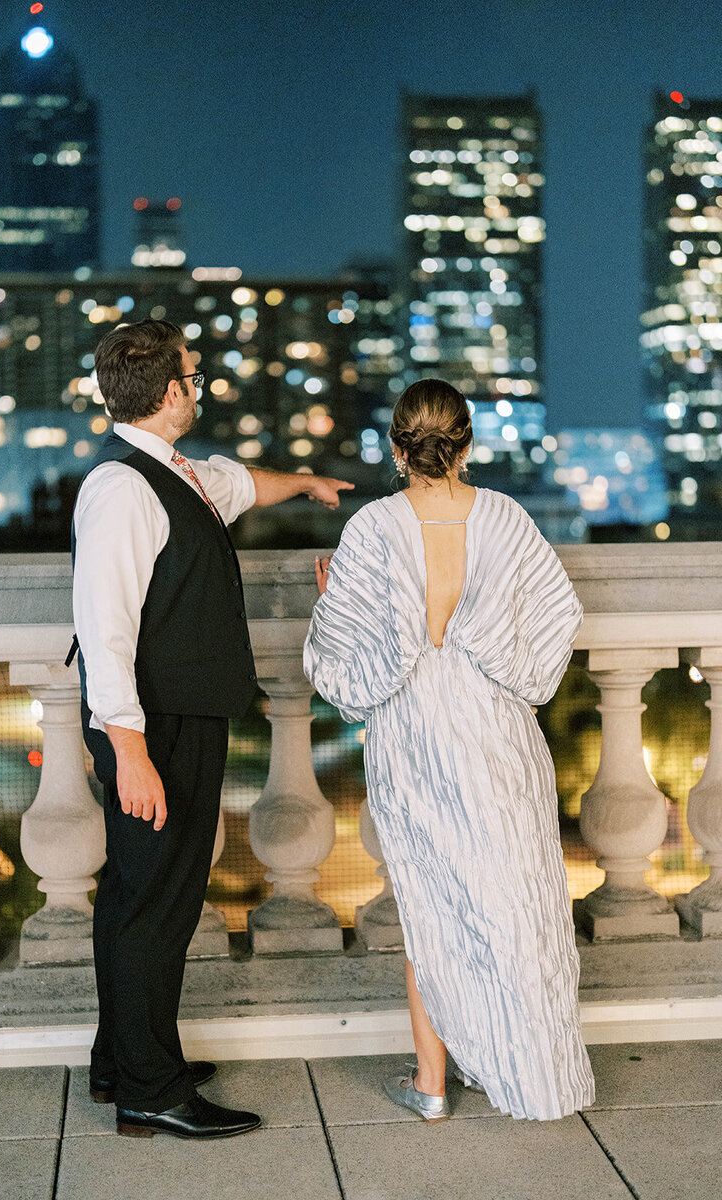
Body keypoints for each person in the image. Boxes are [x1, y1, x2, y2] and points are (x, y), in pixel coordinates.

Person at [72, 317, 353, 1141]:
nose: (197, 388)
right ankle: (150, 1091)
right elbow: (106, 626)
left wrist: (302, 482)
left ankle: (121, 1059)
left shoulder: (172, 472)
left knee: (139, 895)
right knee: (156, 902)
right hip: (153, 727)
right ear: (169, 394)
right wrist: (128, 750)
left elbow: (237, 484)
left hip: (176, 716)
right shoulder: (123, 489)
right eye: (191, 379)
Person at [303, 378, 595, 1123]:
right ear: (466, 443)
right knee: (517, 902)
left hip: (415, 734)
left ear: (397, 448)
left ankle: (432, 1083)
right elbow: (556, 618)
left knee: (429, 903)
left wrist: (335, 599)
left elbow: (348, 667)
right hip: (495, 732)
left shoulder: (372, 529)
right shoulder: (506, 518)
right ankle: (539, 1073)